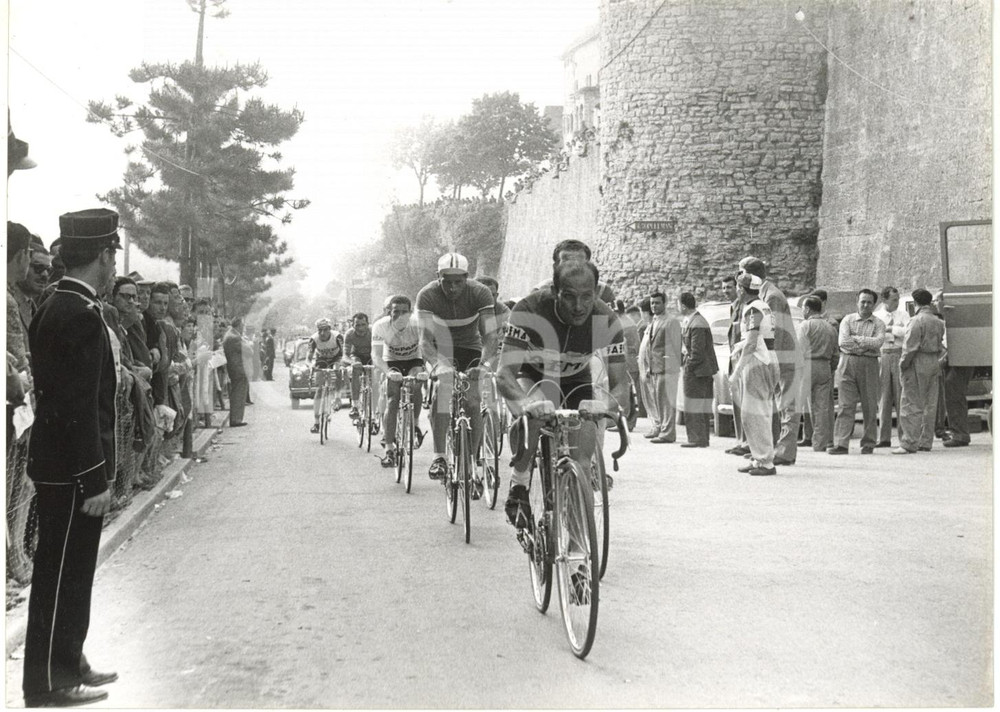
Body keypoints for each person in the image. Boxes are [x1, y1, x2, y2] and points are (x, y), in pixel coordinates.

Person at [22, 208, 120, 707]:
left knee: (72, 571)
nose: (113, 265)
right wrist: (94, 478)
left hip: (62, 464)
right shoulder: (77, 313)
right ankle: (48, 681)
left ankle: (68, 658)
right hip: (71, 469)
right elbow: (78, 405)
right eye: (112, 255)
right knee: (61, 573)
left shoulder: (58, 304)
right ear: (102, 255)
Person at [496, 260, 628, 528]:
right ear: (555, 291)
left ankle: (578, 545)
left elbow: (621, 385)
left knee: (582, 460)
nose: (578, 306)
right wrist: (525, 403)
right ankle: (520, 483)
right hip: (532, 375)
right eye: (569, 296)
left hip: (576, 380)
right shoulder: (529, 310)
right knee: (533, 413)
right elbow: (504, 374)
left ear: (596, 293)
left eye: (586, 297)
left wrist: (604, 404)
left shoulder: (606, 320)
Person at [416, 252, 498, 482]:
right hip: (439, 349)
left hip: (469, 348)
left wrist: (483, 365)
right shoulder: (427, 295)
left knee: (472, 400)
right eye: (447, 282)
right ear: (438, 277)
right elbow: (424, 341)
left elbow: (491, 336)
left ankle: (471, 463)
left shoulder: (480, 292)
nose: (452, 288)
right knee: (441, 394)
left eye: (458, 282)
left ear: (467, 277)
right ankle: (439, 457)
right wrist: (438, 365)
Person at [738, 256, 800, 466]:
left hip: (783, 357)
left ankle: (785, 452)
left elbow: (775, 333)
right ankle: (768, 450)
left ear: (750, 274)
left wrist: (772, 362)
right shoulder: (766, 294)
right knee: (773, 405)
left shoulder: (772, 296)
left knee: (787, 406)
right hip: (776, 357)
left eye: (741, 272)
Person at [729, 273, 779, 476]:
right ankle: (761, 457)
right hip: (768, 358)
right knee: (760, 411)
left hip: (758, 361)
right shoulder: (763, 306)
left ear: (742, 290)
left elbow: (751, 343)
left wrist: (736, 372)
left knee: (753, 413)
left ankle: (765, 460)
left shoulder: (752, 309)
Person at [829, 289, 885, 455]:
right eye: (863, 302)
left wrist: (857, 340)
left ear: (874, 304)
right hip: (848, 362)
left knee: (869, 404)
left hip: (870, 364)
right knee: (845, 405)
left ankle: (868, 442)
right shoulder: (847, 320)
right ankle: (841, 443)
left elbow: (878, 342)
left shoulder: (879, 323)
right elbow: (843, 342)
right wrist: (865, 346)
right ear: (857, 302)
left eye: (869, 302)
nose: (865, 305)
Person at [371, 295, 425, 467]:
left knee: (416, 383)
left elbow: (428, 349)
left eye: (404, 312)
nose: (400, 315)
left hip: (414, 359)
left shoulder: (418, 324)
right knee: (392, 399)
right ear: (389, 312)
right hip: (391, 361)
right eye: (396, 312)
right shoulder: (380, 326)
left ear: (410, 312)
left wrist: (427, 371)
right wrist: (388, 372)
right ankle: (389, 449)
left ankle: (415, 424)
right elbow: (376, 356)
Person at [893, 289, 945, 454]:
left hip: (917, 361)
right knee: (930, 404)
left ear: (915, 303)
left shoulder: (915, 321)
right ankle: (925, 441)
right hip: (934, 361)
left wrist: (903, 364)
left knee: (910, 403)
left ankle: (909, 442)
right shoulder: (938, 321)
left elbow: (909, 348)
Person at [796, 295, 839, 452]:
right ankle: (820, 443)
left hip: (806, 365)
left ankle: (790, 438)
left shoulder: (805, 326)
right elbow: (836, 354)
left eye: (803, 308)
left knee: (797, 404)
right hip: (824, 366)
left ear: (807, 309)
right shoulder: (830, 327)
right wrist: (830, 368)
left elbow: (799, 350)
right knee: (822, 408)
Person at [639, 290, 682, 444]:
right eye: (652, 303)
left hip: (667, 368)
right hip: (655, 368)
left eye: (657, 303)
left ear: (665, 303)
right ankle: (661, 428)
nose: (654, 306)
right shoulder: (654, 321)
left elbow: (676, 345)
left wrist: (671, 365)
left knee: (667, 402)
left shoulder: (671, 321)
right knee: (658, 400)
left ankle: (668, 433)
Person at [679, 292, 718, 447]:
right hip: (702, 371)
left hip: (697, 372)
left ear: (683, 306)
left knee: (693, 405)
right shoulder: (695, 321)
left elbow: (697, 352)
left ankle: (696, 438)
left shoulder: (696, 323)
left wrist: (687, 367)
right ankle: (701, 438)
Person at [874, 286, 908, 447]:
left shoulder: (903, 314)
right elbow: (876, 335)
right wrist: (894, 332)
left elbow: (907, 332)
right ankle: (884, 438)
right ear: (884, 300)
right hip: (883, 355)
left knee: (901, 396)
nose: (897, 302)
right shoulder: (877, 316)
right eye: (894, 300)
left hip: (899, 354)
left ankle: (904, 437)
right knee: (884, 397)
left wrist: (891, 329)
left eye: (898, 299)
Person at [720, 274, 749, 456]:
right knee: (737, 402)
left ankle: (746, 441)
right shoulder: (733, 307)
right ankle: (740, 440)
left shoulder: (744, 306)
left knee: (745, 402)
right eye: (724, 288)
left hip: (742, 358)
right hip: (734, 357)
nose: (726, 291)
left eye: (729, 287)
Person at [307, 317, 344, 433]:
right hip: (321, 359)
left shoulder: (337, 337)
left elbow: (345, 354)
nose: (322, 333)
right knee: (319, 389)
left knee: (338, 370)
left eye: (325, 330)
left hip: (336, 358)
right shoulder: (314, 339)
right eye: (320, 330)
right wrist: (310, 365)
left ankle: (337, 398)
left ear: (330, 329)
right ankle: (316, 423)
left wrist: (342, 364)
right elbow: (308, 358)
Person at [344, 312, 373, 420]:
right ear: (353, 325)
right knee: (355, 369)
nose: (360, 328)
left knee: (377, 373)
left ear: (368, 324)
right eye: (357, 325)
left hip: (372, 356)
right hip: (357, 356)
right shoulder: (349, 334)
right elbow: (345, 355)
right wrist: (352, 363)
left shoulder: (373, 331)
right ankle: (355, 405)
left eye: (363, 325)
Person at [222, 317, 250, 427]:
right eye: (243, 325)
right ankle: (236, 419)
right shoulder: (235, 337)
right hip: (238, 369)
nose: (243, 327)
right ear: (239, 325)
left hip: (234, 368)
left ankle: (236, 418)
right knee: (239, 395)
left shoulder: (230, 334)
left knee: (237, 394)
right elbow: (249, 350)